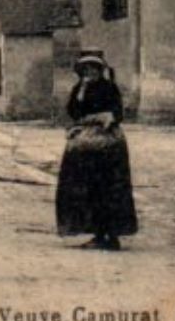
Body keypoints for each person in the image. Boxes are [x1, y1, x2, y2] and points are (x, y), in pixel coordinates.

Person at [56, 50, 138, 250]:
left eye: (93, 68)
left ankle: (113, 234)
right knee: (86, 187)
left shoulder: (109, 87)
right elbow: (73, 112)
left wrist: (108, 117)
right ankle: (98, 233)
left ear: (100, 70)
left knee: (109, 188)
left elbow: (118, 112)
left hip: (108, 144)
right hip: (84, 145)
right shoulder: (79, 89)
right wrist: (81, 93)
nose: (90, 72)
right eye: (86, 69)